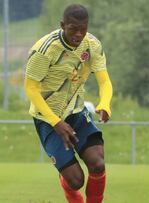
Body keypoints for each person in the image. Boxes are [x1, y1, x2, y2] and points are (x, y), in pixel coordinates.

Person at [24, 4, 112, 203]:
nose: (79, 34)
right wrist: (55, 122)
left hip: (77, 112)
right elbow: (31, 89)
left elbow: (104, 80)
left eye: (83, 28)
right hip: (47, 119)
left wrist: (105, 103)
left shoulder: (92, 45)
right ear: (62, 25)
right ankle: (67, 184)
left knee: (97, 164)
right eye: (73, 28)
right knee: (76, 181)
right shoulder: (44, 49)